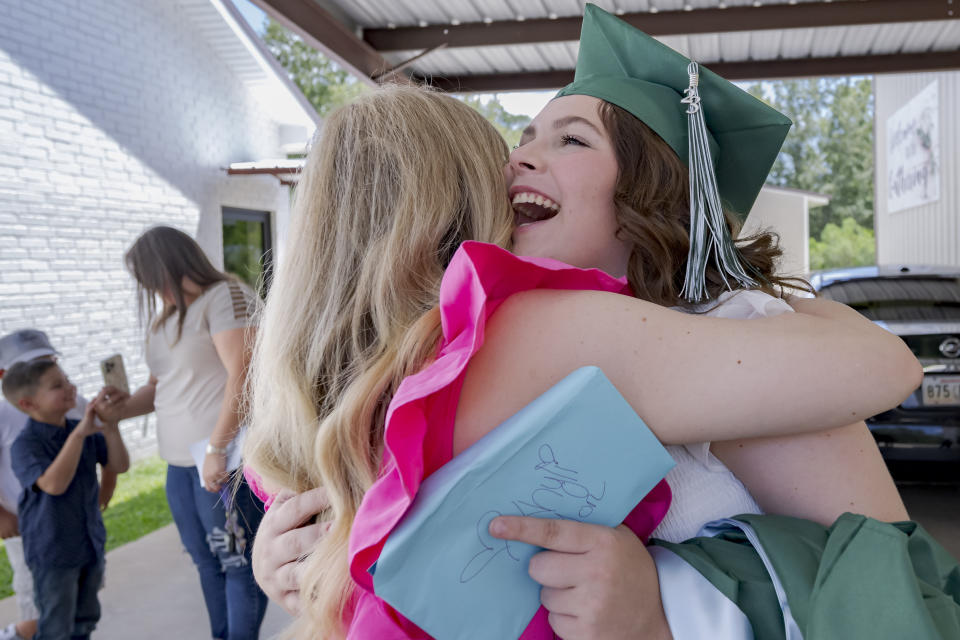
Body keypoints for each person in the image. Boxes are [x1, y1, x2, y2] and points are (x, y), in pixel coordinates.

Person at [241, 80, 920, 638]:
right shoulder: (490, 340)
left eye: (569, 139)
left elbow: (894, 587)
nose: (521, 162)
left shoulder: (733, 332)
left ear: (652, 196)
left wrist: (672, 608)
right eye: (519, 142)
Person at [108, 226, 268, 640]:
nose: (147, 286)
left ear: (168, 265)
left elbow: (244, 375)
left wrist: (217, 447)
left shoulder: (224, 297)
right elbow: (161, 388)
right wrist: (117, 409)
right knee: (206, 562)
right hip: (178, 465)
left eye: (147, 275)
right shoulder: (166, 317)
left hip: (220, 460)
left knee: (237, 563)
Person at [0, 330, 119, 640]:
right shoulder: (17, 432)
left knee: (85, 616)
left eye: (50, 361)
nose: (70, 387)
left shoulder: (73, 409)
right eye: (55, 383)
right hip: (42, 539)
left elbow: (113, 461)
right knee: (47, 615)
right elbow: (52, 484)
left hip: (85, 537)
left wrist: (111, 426)